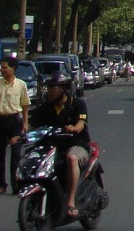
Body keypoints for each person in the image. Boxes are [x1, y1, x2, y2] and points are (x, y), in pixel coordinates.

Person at [25, 72, 90, 218]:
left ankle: (71, 202)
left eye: (53, 88)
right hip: (53, 146)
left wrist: (74, 128)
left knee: (72, 158)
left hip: (76, 144)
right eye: (49, 88)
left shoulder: (77, 104)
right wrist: (20, 135)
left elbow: (81, 123)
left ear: (63, 89)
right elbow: (32, 125)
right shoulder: (45, 107)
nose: (49, 91)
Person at [0, 55, 32, 194]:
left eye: (5, 67)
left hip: (15, 122)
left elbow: (25, 105)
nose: (2, 70)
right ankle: (0, 184)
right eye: (1, 67)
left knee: (15, 155)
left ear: (13, 68)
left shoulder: (21, 84)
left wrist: (25, 123)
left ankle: (16, 184)